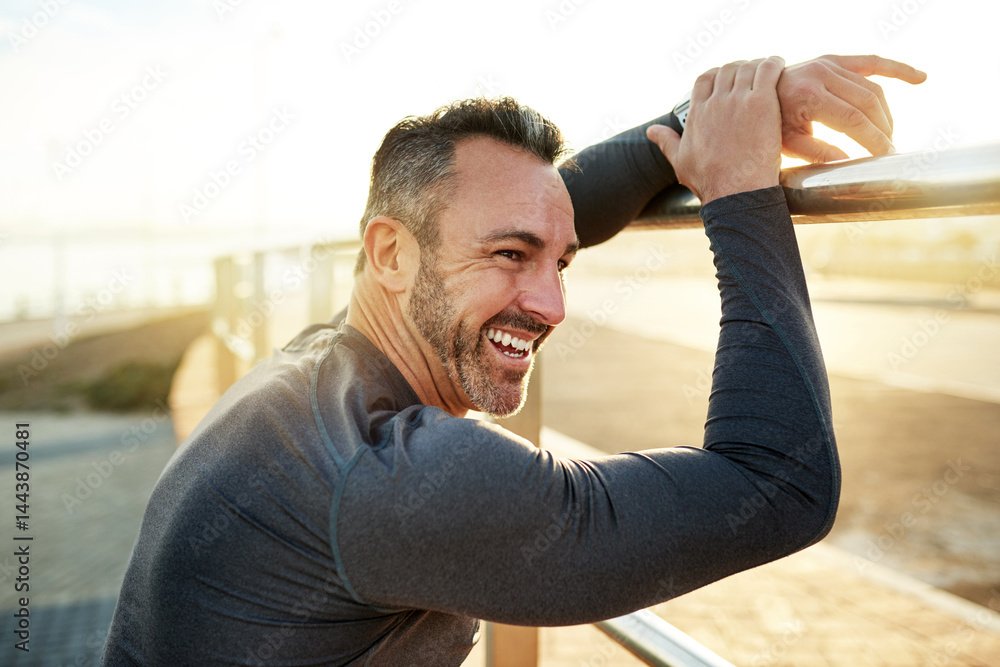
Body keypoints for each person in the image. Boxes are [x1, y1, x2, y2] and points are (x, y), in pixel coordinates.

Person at [102, 54, 925, 665]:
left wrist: (710, 117)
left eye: (559, 261)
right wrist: (741, 191)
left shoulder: (317, 373)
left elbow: (535, 204)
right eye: (509, 255)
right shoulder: (394, 480)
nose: (553, 304)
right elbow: (780, 483)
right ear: (389, 252)